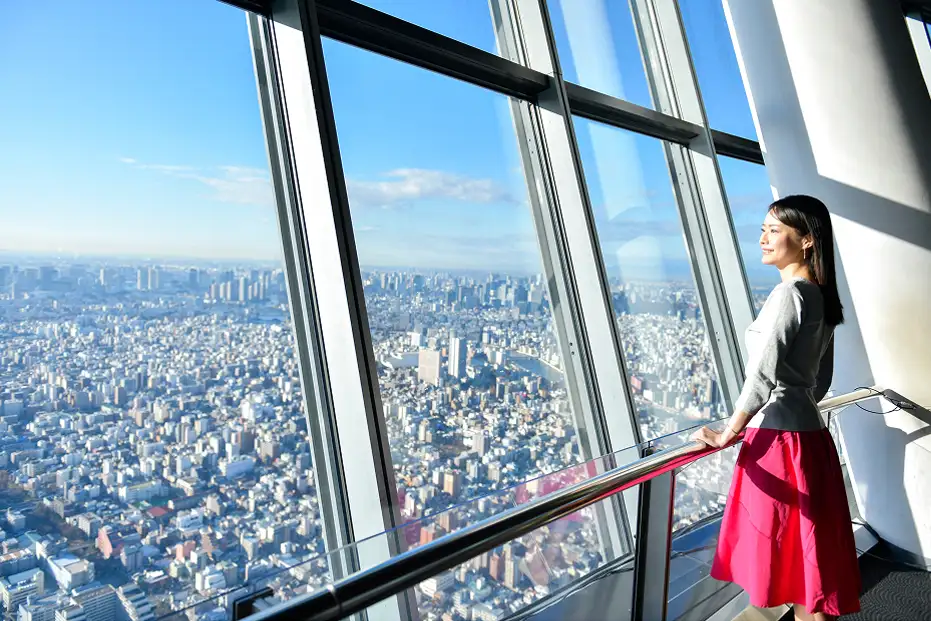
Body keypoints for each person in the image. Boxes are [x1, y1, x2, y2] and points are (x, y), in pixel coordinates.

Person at [691, 195, 860, 620]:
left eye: (774, 230)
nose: (763, 238)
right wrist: (798, 402)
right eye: (764, 230)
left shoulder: (790, 294)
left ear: (807, 240)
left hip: (778, 441)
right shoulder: (821, 296)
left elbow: (762, 374)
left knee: (790, 561)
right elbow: (820, 379)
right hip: (810, 437)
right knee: (809, 568)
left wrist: (729, 432)